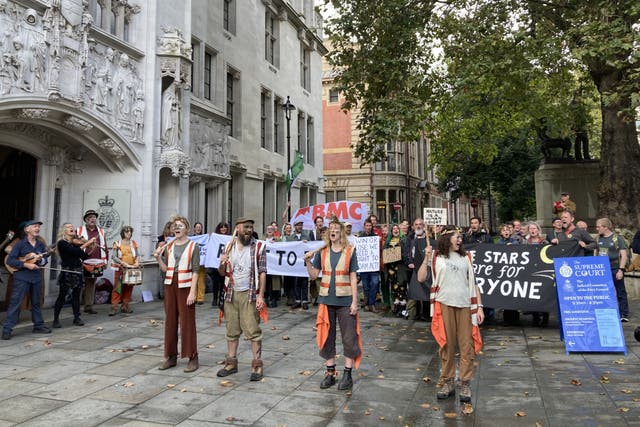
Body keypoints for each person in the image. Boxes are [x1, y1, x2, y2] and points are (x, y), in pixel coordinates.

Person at [419, 226, 484, 403]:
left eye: (461, 237)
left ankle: (465, 382)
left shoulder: (466, 257)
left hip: (465, 305)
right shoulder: (435, 257)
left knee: (466, 345)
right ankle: (447, 381)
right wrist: (425, 258)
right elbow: (421, 278)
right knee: (446, 345)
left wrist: (479, 306)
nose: (460, 239)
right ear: (447, 238)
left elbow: (474, 283)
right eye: (456, 236)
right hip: (444, 304)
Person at [305, 220, 361, 391]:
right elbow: (314, 275)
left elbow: (353, 277)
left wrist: (354, 302)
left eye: (337, 229)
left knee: (349, 338)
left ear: (342, 233)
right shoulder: (321, 252)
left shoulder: (350, 251)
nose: (333, 231)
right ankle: (330, 373)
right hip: (326, 301)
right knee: (327, 337)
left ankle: (347, 374)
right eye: (331, 229)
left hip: (345, 301)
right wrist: (307, 261)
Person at [217, 217, 267, 381]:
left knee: (253, 330)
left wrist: (260, 295)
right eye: (245, 227)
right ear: (237, 228)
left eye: (251, 227)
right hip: (231, 293)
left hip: (250, 294)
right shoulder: (228, 246)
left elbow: (262, 272)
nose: (249, 230)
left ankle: (257, 365)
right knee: (231, 330)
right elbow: (222, 273)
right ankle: (231, 363)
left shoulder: (259, 246)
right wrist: (222, 263)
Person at [155, 216, 200, 373]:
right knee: (170, 321)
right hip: (170, 285)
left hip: (186, 285)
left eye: (180, 226)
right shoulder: (169, 246)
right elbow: (166, 269)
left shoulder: (194, 246)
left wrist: (192, 292)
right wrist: (158, 259)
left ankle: (192, 356)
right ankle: (171, 356)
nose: (177, 228)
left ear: (187, 228)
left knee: (187, 322)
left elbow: (196, 271)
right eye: (175, 226)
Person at [3, 220, 52, 339]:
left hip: (36, 277)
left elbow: (44, 260)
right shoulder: (20, 244)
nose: (37, 228)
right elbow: (10, 261)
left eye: (38, 227)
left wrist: (41, 260)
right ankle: (7, 329)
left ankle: (38, 326)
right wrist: (26, 265)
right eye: (35, 226)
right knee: (16, 303)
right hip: (22, 278)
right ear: (27, 229)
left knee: (36, 302)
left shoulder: (40, 244)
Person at [53, 223, 96, 328]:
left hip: (77, 271)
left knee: (76, 296)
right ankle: (56, 320)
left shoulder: (75, 243)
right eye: (68, 227)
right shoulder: (62, 243)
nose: (71, 228)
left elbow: (84, 256)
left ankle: (77, 318)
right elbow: (73, 251)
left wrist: (92, 248)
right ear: (64, 231)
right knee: (62, 296)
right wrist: (87, 243)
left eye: (72, 226)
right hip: (67, 271)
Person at [595, 218, 629, 322]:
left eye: (598, 226)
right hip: (602, 269)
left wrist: (621, 270)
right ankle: (606, 311)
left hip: (614, 268)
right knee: (603, 292)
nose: (597, 229)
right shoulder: (597, 239)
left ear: (606, 227)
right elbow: (595, 253)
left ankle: (623, 313)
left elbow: (624, 255)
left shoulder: (617, 238)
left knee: (620, 291)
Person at [77, 209, 107, 314]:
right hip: (82, 260)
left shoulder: (101, 231)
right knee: (79, 283)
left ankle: (88, 306)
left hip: (96, 261)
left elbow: (104, 247)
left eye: (93, 217)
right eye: (89, 218)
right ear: (85, 220)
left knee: (91, 282)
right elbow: (75, 245)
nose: (92, 219)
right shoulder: (79, 230)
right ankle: (76, 306)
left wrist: (105, 261)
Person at [403, 218, 432, 321]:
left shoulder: (429, 238)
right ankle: (414, 313)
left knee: (425, 291)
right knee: (414, 292)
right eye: (416, 224)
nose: (418, 226)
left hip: (425, 268)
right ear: (413, 226)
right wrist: (409, 262)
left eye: (420, 224)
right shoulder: (410, 238)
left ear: (423, 226)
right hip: (413, 269)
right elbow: (406, 252)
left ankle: (425, 314)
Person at [109, 225, 140, 316]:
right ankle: (114, 307)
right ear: (123, 233)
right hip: (120, 269)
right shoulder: (117, 243)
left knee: (129, 286)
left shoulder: (133, 243)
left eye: (130, 231)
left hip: (131, 268)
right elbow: (114, 256)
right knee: (117, 287)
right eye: (127, 232)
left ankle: (125, 306)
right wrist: (123, 263)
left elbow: (137, 255)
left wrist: (137, 262)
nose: (129, 233)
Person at [523, 222, 549, 327]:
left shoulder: (544, 242)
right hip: (530, 270)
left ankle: (545, 316)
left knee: (543, 294)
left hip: (542, 270)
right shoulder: (525, 242)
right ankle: (535, 316)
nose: (533, 230)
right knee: (532, 293)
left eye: (535, 228)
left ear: (538, 230)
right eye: (531, 229)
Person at [383, 224, 408, 317]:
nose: (396, 230)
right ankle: (396, 307)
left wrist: (400, 255)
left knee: (402, 287)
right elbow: (385, 251)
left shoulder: (403, 240)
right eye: (394, 229)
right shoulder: (388, 241)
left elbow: (406, 252)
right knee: (394, 288)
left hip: (400, 267)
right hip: (391, 268)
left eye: (397, 228)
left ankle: (403, 308)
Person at [286, 220, 310, 309]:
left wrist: (307, 243)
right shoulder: (291, 238)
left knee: (304, 282)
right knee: (296, 282)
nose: (300, 227)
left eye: (301, 225)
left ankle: (304, 300)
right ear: (295, 226)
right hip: (295, 264)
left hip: (304, 264)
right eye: (298, 225)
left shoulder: (306, 236)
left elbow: (311, 248)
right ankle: (297, 300)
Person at [358, 218, 381, 312]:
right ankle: (368, 304)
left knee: (375, 284)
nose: (368, 227)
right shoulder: (360, 237)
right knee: (366, 286)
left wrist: (379, 241)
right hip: (364, 266)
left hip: (373, 265)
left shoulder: (375, 236)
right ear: (364, 226)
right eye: (366, 225)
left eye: (369, 226)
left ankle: (372, 303)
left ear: (372, 227)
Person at [210, 222, 230, 307]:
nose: (223, 229)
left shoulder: (230, 238)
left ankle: (221, 298)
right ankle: (214, 298)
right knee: (215, 282)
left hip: (224, 263)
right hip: (216, 263)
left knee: (222, 282)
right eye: (221, 227)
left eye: (225, 227)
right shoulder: (215, 237)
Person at [263, 224, 282, 307]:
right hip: (265, 264)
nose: (270, 230)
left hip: (274, 266)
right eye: (268, 229)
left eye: (271, 229)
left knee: (274, 282)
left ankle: (274, 299)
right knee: (265, 282)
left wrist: (276, 243)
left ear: (274, 231)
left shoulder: (278, 240)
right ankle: (266, 298)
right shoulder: (262, 239)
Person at [191, 222, 207, 305]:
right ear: (194, 228)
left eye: (200, 227)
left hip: (201, 263)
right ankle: (193, 296)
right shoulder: (191, 238)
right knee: (193, 280)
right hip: (193, 262)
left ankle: (200, 298)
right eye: (197, 227)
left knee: (201, 280)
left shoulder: (205, 238)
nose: (198, 228)